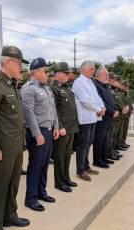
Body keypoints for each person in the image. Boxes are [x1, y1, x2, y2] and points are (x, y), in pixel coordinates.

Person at [0, 45, 30, 229]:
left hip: (15, 145)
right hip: (2, 147)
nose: (21, 67)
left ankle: (10, 215)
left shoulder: (12, 84)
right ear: (8, 62)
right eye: (19, 63)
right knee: (0, 187)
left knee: (13, 185)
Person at [20, 58, 59, 212]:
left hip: (48, 131)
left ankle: (42, 192)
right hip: (37, 132)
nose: (47, 73)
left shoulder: (47, 89)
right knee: (35, 166)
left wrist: (56, 126)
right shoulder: (28, 89)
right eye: (45, 71)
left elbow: (53, 110)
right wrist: (37, 134)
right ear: (35, 73)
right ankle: (31, 199)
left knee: (44, 166)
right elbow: (28, 113)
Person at [49, 62, 79, 193]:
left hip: (71, 127)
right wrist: (59, 126)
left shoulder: (66, 87)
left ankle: (66, 178)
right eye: (66, 73)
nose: (68, 75)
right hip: (62, 129)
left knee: (67, 156)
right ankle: (59, 182)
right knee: (60, 157)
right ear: (58, 74)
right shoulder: (53, 88)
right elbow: (53, 110)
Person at [71, 60, 103, 181]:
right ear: (84, 69)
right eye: (91, 69)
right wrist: (98, 109)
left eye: (93, 69)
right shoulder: (78, 82)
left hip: (93, 117)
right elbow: (84, 100)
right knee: (83, 144)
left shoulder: (90, 82)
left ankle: (86, 165)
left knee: (89, 143)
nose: (93, 71)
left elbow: (96, 97)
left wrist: (102, 107)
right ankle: (80, 170)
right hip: (85, 118)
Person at [92, 67, 118, 168]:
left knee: (106, 138)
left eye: (107, 75)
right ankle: (97, 160)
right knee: (99, 139)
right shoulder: (96, 86)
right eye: (105, 75)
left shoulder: (106, 86)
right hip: (102, 117)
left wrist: (115, 109)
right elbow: (101, 102)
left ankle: (104, 157)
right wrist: (112, 111)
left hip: (109, 116)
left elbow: (111, 100)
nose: (107, 77)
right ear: (98, 75)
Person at [107, 72, 127, 159]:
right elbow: (113, 102)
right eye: (113, 79)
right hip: (112, 115)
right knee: (111, 135)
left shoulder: (115, 91)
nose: (115, 81)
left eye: (115, 79)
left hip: (118, 115)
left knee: (114, 134)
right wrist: (121, 108)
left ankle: (113, 150)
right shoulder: (109, 90)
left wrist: (124, 107)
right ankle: (110, 152)